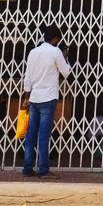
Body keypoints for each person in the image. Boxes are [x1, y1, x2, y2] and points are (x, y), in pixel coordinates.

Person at [21, 25, 72, 178]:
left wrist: (26, 98)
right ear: (55, 38)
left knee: (31, 135)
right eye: (58, 38)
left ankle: (27, 168)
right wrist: (65, 57)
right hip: (48, 99)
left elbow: (28, 77)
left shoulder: (33, 52)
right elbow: (66, 72)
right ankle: (43, 170)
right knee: (43, 136)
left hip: (34, 98)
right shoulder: (56, 51)